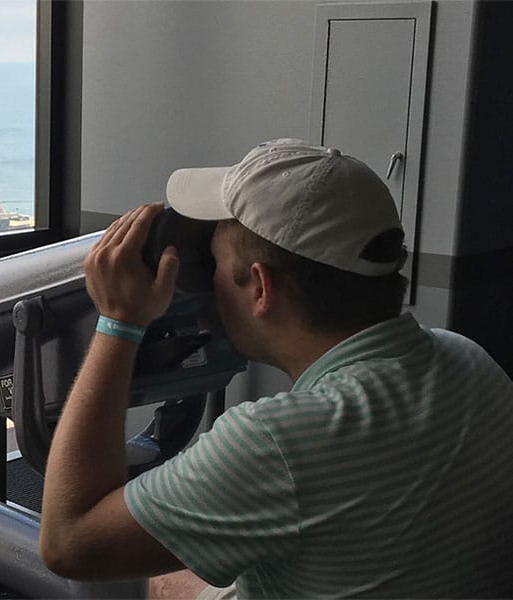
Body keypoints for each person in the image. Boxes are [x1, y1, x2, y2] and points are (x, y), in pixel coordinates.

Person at [39, 138, 513, 597]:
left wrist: (118, 322)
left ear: (261, 288)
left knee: (161, 579)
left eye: (217, 265)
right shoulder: (470, 360)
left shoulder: (278, 441)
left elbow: (69, 543)